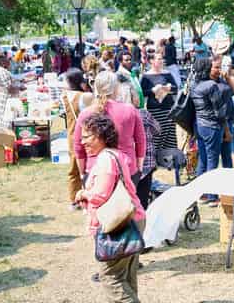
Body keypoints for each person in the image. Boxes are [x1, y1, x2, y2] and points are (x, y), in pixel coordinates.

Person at [74, 113, 145, 303]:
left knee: (111, 278)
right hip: (133, 220)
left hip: (119, 225)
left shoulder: (105, 159)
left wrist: (83, 194)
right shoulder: (116, 154)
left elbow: (100, 195)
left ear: (101, 135)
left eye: (86, 137)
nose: (82, 142)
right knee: (127, 279)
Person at [73, 71, 146, 186]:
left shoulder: (86, 113)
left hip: (96, 170)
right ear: (116, 88)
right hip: (126, 169)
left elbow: (78, 147)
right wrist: (139, 168)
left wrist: (82, 173)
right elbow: (141, 141)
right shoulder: (130, 110)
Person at [191, 58, 232, 206]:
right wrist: (227, 130)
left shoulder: (194, 85)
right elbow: (220, 113)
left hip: (199, 126)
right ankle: (212, 196)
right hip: (212, 127)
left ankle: (200, 194)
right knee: (212, 161)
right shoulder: (211, 85)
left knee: (203, 159)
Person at [62, 68, 94, 211]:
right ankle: (91, 195)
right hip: (87, 134)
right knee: (91, 166)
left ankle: (74, 198)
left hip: (72, 135)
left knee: (74, 168)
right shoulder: (84, 96)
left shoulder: (66, 96)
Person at [140, 52, 178, 150]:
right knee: (156, 134)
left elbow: (176, 89)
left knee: (170, 135)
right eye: (159, 59)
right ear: (152, 61)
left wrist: (168, 88)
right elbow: (142, 92)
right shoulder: (146, 76)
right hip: (155, 110)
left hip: (168, 108)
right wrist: (153, 90)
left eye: (162, 59)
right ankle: (156, 157)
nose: (161, 61)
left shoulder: (167, 74)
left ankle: (170, 157)